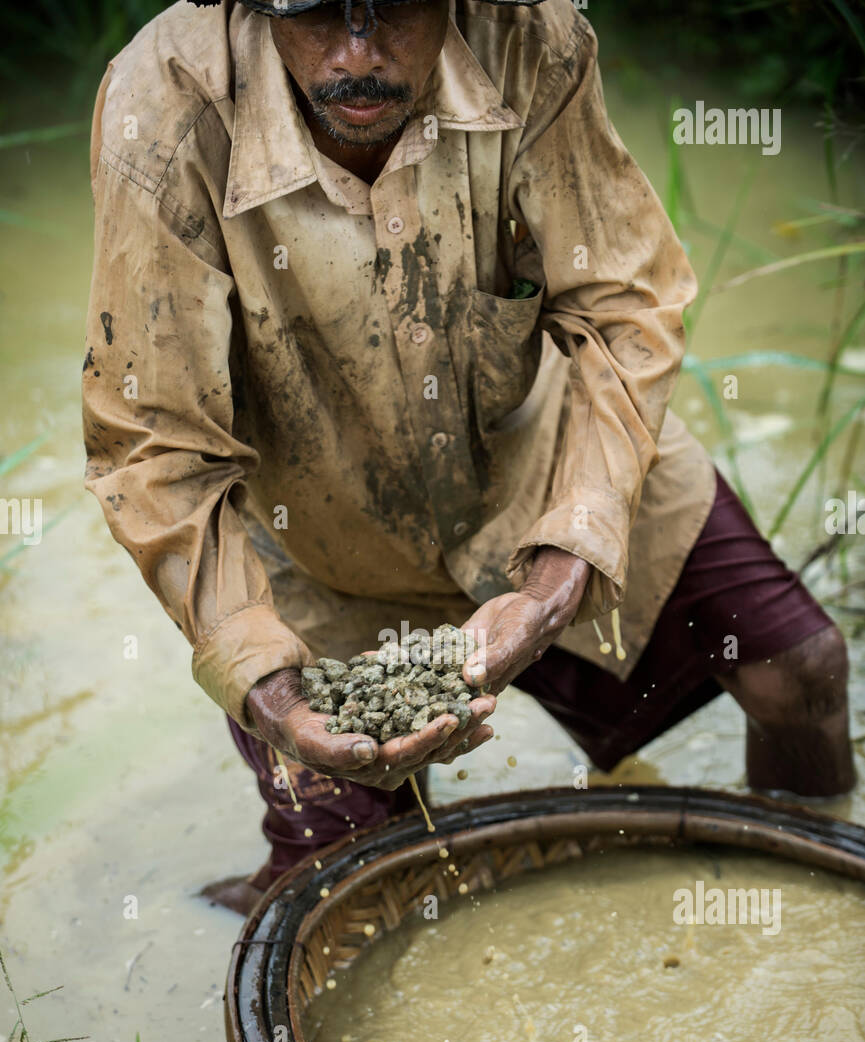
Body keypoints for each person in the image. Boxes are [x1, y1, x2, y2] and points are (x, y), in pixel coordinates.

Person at [82, 0, 854, 915]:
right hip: (317, 541)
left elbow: (620, 309)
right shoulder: (160, 107)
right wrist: (267, 687)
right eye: (316, 12)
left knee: (798, 672)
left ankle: (792, 916)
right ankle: (258, 887)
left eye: (396, 7)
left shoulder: (530, 37)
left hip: (538, 462)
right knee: (342, 885)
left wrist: (561, 569)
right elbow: (154, 440)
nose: (356, 53)